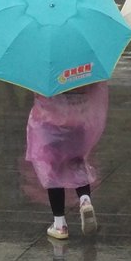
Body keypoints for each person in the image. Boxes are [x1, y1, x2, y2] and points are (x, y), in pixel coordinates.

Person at [28, 82, 107, 240]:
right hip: (77, 122)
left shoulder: (45, 66)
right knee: (77, 162)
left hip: (50, 123)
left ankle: (60, 224)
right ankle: (85, 200)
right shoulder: (82, 62)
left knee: (52, 169)